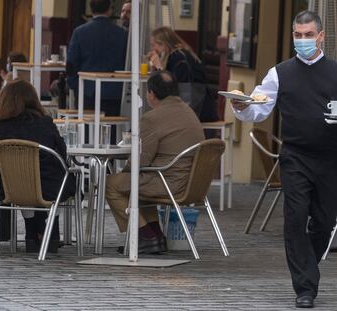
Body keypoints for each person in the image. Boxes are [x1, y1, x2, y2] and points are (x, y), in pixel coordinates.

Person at [231, 11, 337, 309]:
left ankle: (308, 268)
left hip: (330, 159)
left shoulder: (335, 72)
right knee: (294, 218)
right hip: (295, 157)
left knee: (325, 221)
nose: (301, 40)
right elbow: (258, 108)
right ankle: (305, 288)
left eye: (307, 35)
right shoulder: (280, 73)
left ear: (320, 37)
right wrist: (242, 106)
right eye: (297, 35)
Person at [105, 71, 205, 254]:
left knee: (111, 184)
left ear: (151, 94)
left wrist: (124, 171)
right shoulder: (189, 111)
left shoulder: (152, 118)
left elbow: (141, 160)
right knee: (139, 183)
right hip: (192, 184)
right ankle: (156, 236)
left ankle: (144, 236)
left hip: (169, 183)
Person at [0, 79, 76, 253]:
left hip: (12, 188)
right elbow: (61, 151)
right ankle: (51, 232)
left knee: (23, 183)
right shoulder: (44, 122)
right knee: (63, 181)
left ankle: (32, 233)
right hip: (50, 187)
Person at [66, 0, 127, 117]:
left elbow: (71, 64)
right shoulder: (122, 34)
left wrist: (76, 86)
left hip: (87, 90)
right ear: (110, 9)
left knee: (87, 130)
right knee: (113, 130)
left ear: (91, 10)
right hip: (115, 91)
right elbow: (126, 62)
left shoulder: (79, 32)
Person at [148, 26, 218, 122]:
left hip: (196, 109)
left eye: (154, 45)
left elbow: (169, 85)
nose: (153, 49)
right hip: (200, 106)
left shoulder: (178, 58)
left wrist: (159, 67)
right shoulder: (179, 55)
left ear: (163, 44)